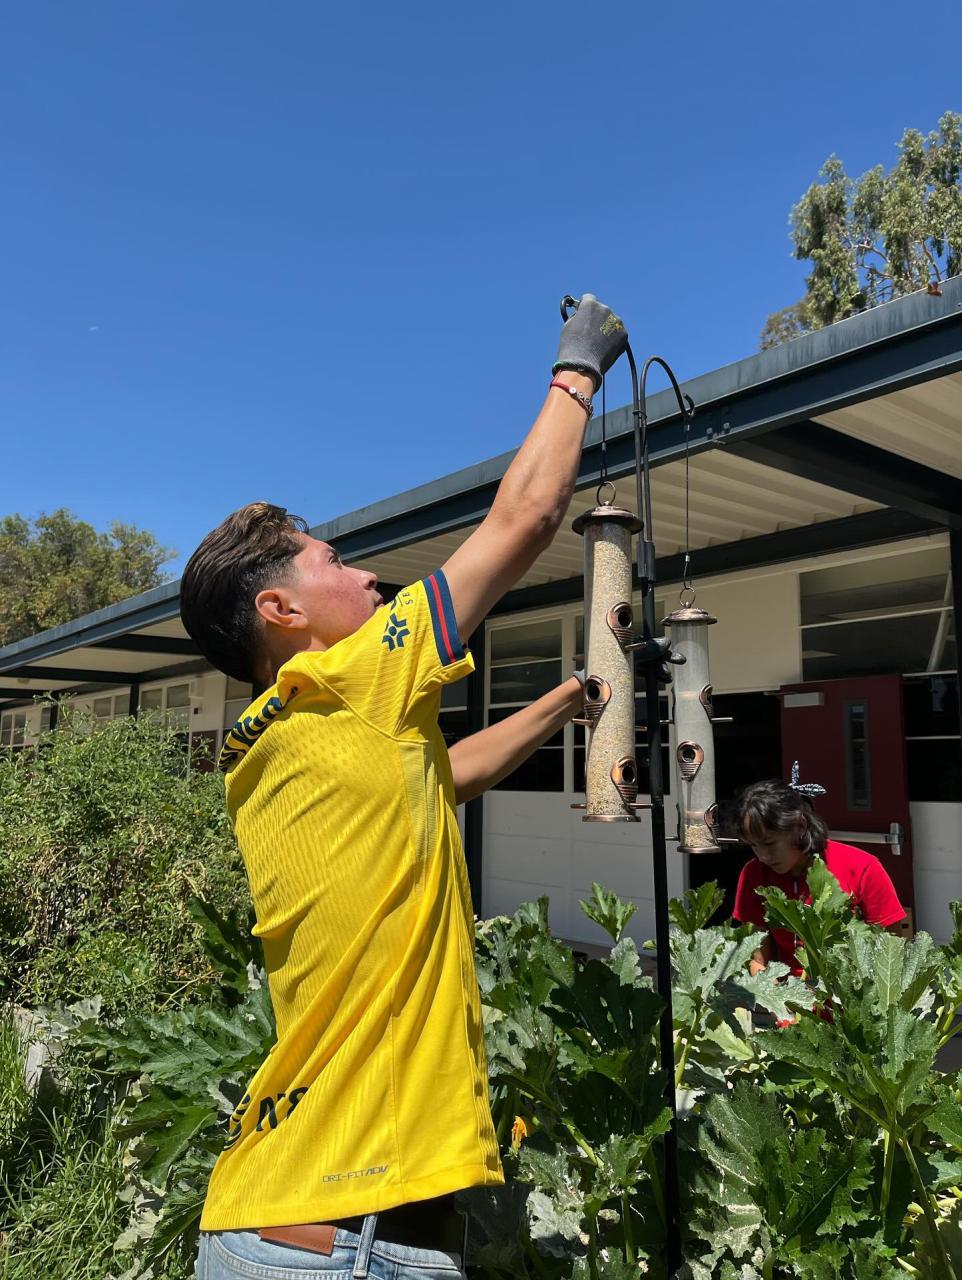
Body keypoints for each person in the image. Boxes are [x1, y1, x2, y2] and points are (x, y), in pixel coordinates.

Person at [178, 295, 628, 1280]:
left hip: (270, 1222)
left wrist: (562, 702)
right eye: (335, 562)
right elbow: (525, 518)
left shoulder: (281, 739)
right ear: (282, 609)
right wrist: (579, 365)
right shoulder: (353, 673)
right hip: (350, 1238)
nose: (370, 578)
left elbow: (440, 778)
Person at [732, 778, 906, 977]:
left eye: (770, 844)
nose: (763, 856)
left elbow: (891, 953)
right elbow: (757, 959)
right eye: (753, 846)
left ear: (800, 826)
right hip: (789, 992)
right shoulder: (754, 874)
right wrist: (770, 986)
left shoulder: (863, 868)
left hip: (851, 990)